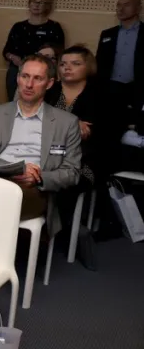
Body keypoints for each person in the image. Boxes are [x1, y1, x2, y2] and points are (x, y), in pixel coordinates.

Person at [0, 54, 82, 219]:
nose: (29, 84)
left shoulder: (66, 122)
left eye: (37, 78)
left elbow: (72, 173)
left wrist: (38, 178)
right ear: (18, 78)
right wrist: (14, 168)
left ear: (49, 83)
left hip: (31, 188)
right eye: (25, 76)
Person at [45, 46, 103, 267]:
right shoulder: (50, 90)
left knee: (65, 178)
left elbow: (101, 135)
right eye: (63, 64)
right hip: (46, 155)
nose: (67, 68)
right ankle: (58, 228)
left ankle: (64, 230)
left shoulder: (101, 94)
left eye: (75, 63)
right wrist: (72, 124)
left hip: (85, 159)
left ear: (88, 66)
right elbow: (36, 121)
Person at [2, 0, 65, 101]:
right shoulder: (19, 26)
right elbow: (6, 51)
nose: (36, 5)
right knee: (14, 101)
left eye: (41, 2)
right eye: (34, 1)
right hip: (18, 69)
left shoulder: (54, 27)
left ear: (47, 6)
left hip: (43, 71)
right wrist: (12, 57)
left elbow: (59, 52)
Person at [96, 0, 142, 116]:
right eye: (118, 5)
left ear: (138, 8)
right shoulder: (108, 34)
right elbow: (99, 61)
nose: (121, 9)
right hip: (110, 89)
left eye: (126, 5)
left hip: (137, 89)